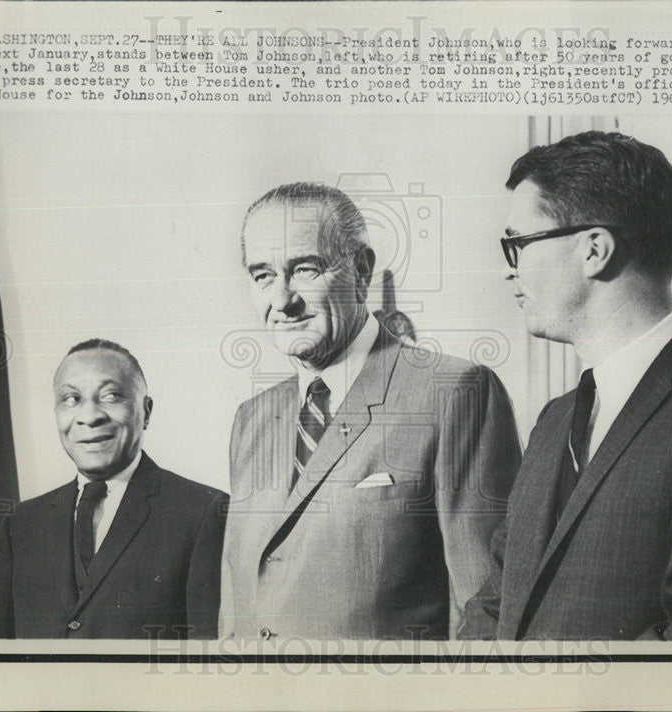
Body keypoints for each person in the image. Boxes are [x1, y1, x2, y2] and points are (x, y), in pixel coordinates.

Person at [461, 131, 672, 641]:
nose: (511, 272)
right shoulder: (554, 420)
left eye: (518, 245)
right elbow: (495, 604)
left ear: (595, 250)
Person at [221, 182, 521, 640]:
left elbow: (483, 614)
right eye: (263, 275)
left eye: (304, 269)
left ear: (361, 269)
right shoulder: (251, 418)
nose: (282, 301)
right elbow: (237, 610)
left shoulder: (454, 393)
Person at [0, 339, 227, 639]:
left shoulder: (202, 512)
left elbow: (206, 657)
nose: (89, 416)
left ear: (146, 411)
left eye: (111, 395)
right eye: (71, 399)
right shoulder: (21, 524)